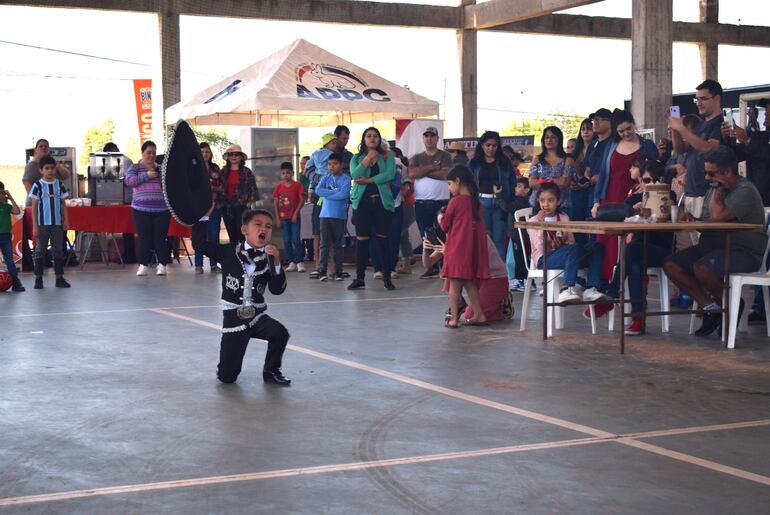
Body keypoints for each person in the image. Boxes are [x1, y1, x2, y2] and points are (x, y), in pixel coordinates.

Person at [663, 146, 768, 337]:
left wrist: (718, 193)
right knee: (671, 264)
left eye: (711, 174)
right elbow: (709, 221)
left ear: (727, 171)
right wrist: (693, 220)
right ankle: (711, 307)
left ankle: (729, 306)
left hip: (745, 251)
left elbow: (718, 217)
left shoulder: (744, 190)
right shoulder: (715, 188)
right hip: (713, 246)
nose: (707, 178)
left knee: (702, 268)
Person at [192, 208, 291, 386]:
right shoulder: (229, 252)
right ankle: (225, 368)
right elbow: (199, 244)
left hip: (257, 315)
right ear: (244, 229)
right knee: (227, 378)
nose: (264, 229)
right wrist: (204, 217)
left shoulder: (269, 258)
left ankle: (271, 370)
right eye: (258, 224)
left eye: (268, 226)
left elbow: (277, 290)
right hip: (234, 319)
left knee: (279, 332)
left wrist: (276, 263)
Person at [590, 160, 676, 335]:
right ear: (640, 182)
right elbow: (618, 214)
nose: (650, 184)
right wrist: (634, 210)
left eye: (654, 180)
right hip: (638, 250)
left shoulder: (668, 196)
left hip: (661, 250)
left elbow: (670, 209)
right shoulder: (636, 198)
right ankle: (637, 319)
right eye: (646, 180)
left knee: (631, 251)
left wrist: (655, 203)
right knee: (635, 263)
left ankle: (612, 295)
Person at [591, 109, 658, 280]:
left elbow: (656, 171)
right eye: (621, 131)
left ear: (634, 124)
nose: (626, 133)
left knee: (630, 242)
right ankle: (606, 287)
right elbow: (604, 174)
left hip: (634, 198)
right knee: (608, 243)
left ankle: (629, 289)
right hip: (610, 196)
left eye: (629, 129)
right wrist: (596, 201)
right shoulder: (611, 145)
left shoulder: (646, 145)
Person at [527, 183, 606, 303]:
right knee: (574, 249)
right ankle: (567, 288)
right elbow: (539, 247)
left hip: (567, 256)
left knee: (596, 247)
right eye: (542, 201)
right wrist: (542, 225)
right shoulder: (533, 221)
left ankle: (591, 288)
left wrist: (562, 244)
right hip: (544, 259)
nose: (545, 205)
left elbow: (571, 242)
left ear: (558, 202)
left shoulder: (564, 218)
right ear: (538, 201)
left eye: (550, 200)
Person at [424, 229, 513, 324]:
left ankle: (501, 303)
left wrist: (448, 253)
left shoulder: (475, 235)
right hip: (476, 279)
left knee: (470, 315)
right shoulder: (453, 235)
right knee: (452, 270)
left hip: (494, 278)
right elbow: (428, 263)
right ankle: (459, 304)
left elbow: (470, 264)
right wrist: (425, 250)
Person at [667, 80, 725, 220]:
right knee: (690, 241)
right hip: (691, 192)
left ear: (717, 98)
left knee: (704, 239)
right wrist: (675, 128)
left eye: (703, 99)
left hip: (707, 192)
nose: (699, 103)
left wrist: (682, 128)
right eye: (697, 99)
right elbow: (681, 149)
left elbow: (708, 148)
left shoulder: (720, 124)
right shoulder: (701, 125)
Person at [440, 166, 490, 328]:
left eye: (449, 184)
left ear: (457, 181)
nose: (449, 188)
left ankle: (454, 318)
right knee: (469, 284)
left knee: (454, 286)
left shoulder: (455, 202)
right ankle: (479, 315)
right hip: (471, 251)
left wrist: (441, 217)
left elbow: (445, 225)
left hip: (457, 249)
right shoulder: (476, 203)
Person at [348, 127, 396, 291]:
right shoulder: (356, 157)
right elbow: (355, 174)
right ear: (364, 140)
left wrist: (368, 181)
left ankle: (387, 278)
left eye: (375, 136)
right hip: (362, 204)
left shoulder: (388, 155)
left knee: (383, 240)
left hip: (382, 203)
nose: (372, 138)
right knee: (361, 241)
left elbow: (389, 174)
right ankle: (359, 278)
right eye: (368, 136)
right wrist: (367, 159)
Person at [408, 126, 453, 278]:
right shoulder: (416, 157)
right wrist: (432, 167)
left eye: (432, 136)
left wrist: (423, 171)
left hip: (441, 202)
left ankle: (444, 265)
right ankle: (432, 265)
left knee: (442, 233)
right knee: (427, 235)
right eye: (426, 136)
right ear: (423, 138)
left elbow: (445, 174)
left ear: (437, 139)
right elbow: (413, 173)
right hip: (421, 202)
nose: (429, 139)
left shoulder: (445, 155)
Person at [124, 140, 171, 277]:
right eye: (148, 153)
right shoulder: (135, 167)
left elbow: (170, 185)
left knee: (160, 238)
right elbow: (129, 181)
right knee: (144, 238)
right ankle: (143, 265)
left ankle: (162, 265)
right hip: (140, 209)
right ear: (142, 153)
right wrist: (147, 176)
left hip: (162, 210)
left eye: (154, 153)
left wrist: (162, 176)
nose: (151, 156)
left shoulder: (161, 168)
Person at [468, 131, 515, 260]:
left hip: (500, 204)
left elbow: (512, 183)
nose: (491, 148)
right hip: (481, 202)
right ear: (482, 145)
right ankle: (485, 272)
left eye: (494, 145)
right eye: (488, 145)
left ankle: (499, 273)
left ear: (498, 146)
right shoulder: (474, 162)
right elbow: (468, 183)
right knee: (484, 239)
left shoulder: (505, 162)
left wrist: (509, 204)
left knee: (499, 240)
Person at [28, 155, 70, 289]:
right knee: (40, 250)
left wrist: (66, 220)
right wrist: (35, 224)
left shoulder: (60, 185)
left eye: (52, 168)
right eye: (47, 168)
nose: (50, 171)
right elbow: (34, 206)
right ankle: (38, 279)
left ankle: (59, 278)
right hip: (42, 224)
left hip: (57, 224)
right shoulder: (37, 185)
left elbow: (63, 205)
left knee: (58, 250)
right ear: (41, 170)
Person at [306, 133, 338, 278]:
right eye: (334, 142)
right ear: (328, 144)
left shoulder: (315, 154)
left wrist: (314, 181)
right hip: (326, 195)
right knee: (321, 231)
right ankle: (325, 265)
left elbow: (307, 168)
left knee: (322, 231)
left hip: (324, 195)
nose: (335, 145)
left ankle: (322, 264)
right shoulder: (332, 154)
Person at [315, 153, 351, 281]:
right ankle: (322, 271)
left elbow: (344, 194)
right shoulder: (325, 178)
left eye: (334, 164)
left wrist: (327, 194)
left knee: (338, 245)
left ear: (341, 165)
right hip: (324, 215)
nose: (331, 167)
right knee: (324, 244)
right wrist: (335, 192)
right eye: (329, 164)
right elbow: (318, 191)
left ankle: (338, 271)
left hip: (339, 216)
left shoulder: (346, 179)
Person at [192, 142, 225, 273]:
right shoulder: (194, 169)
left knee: (213, 236)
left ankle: (213, 264)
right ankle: (198, 265)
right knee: (199, 238)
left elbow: (222, 188)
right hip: (199, 209)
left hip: (215, 207)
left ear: (210, 154)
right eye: (202, 152)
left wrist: (212, 188)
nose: (205, 154)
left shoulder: (215, 168)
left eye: (207, 152)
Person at [528, 126, 576, 210]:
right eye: (546, 137)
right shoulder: (537, 159)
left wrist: (542, 181)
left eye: (553, 137)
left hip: (561, 205)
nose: (549, 140)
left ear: (559, 140)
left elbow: (564, 182)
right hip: (538, 205)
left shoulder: (568, 159)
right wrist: (554, 181)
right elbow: (532, 183)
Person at [221, 144, 259, 246]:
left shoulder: (246, 172)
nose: (233, 157)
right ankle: (235, 258)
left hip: (242, 207)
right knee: (231, 235)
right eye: (231, 154)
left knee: (242, 234)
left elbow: (254, 190)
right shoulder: (223, 172)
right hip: (227, 207)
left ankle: (244, 257)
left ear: (241, 157)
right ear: (228, 157)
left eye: (236, 154)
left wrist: (248, 203)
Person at [273, 161, 305, 272]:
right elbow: (276, 203)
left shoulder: (298, 185)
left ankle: (299, 261)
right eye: (283, 173)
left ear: (292, 173)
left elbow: (302, 200)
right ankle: (291, 261)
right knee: (286, 240)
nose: (286, 175)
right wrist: (277, 218)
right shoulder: (279, 187)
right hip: (283, 218)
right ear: (280, 174)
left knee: (296, 239)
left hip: (295, 217)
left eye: (288, 173)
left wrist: (296, 213)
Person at [584, 108, 615, 220]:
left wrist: (600, 176)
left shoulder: (614, 143)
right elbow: (587, 166)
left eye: (600, 119)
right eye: (594, 120)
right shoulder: (593, 144)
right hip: (592, 191)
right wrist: (586, 177)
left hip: (607, 190)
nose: (595, 122)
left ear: (610, 122)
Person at [568, 118, 595, 227]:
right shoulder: (575, 152)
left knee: (592, 222)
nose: (586, 131)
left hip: (593, 190)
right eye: (583, 129)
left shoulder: (599, 148)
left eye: (589, 129)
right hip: (576, 192)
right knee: (577, 224)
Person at [0, 181, 25, 291]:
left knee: (9, 260)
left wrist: (10, 197)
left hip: (5, 237)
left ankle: (16, 281)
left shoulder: (6, 206)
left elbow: (17, 211)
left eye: (1, 193)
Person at [509, 177, 533, 292]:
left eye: (519, 186)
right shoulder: (522, 201)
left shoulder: (520, 201)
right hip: (519, 235)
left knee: (520, 258)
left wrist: (499, 197)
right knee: (521, 258)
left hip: (519, 236)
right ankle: (525, 280)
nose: (516, 188)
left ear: (527, 189)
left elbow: (506, 207)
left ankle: (523, 280)